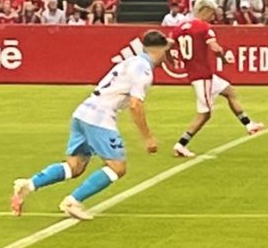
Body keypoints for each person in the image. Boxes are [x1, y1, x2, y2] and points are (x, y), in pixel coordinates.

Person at [11, 30, 169, 222]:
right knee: (118, 167)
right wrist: (147, 136)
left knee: (74, 166)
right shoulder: (143, 69)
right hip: (100, 118)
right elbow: (136, 104)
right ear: (160, 50)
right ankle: (73, 201)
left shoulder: (130, 61)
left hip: (83, 112)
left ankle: (29, 184)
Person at [169, 0, 264, 157]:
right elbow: (214, 47)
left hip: (201, 75)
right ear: (205, 10)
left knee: (229, 91)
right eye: (212, 13)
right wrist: (224, 57)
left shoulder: (179, 28)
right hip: (202, 76)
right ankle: (181, 144)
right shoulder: (204, 27)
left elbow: (168, 44)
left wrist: (170, 59)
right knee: (205, 114)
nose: (213, 17)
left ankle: (249, 125)